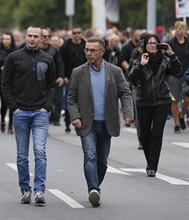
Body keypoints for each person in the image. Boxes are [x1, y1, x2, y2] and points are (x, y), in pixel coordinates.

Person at [67, 37, 133, 208]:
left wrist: (128, 113)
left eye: (92, 50)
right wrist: (75, 116)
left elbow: (125, 93)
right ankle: (93, 189)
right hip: (87, 123)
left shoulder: (115, 71)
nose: (88, 53)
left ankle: (96, 187)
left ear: (102, 52)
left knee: (102, 161)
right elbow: (71, 98)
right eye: (86, 50)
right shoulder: (78, 72)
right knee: (90, 155)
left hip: (107, 123)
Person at [1, 25, 56, 205]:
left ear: (41, 39)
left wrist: (47, 106)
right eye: (29, 36)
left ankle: (39, 190)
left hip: (40, 112)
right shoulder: (14, 58)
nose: (32, 39)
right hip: (21, 112)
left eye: (36, 36)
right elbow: (5, 84)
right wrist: (14, 107)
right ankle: (25, 190)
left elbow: (51, 85)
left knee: (40, 152)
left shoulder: (47, 58)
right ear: (25, 37)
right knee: (22, 155)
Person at [127, 34, 182, 177]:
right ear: (144, 46)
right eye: (149, 43)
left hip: (162, 101)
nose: (152, 45)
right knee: (145, 136)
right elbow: (131, 78)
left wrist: (172, 54)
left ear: (159, 46)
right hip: (143, 102)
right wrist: (141, 65)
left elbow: (177, 71)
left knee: (157, 135)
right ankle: (149, 161)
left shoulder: (165, 60)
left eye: (155, 43)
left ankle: (152, 166)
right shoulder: (138, 60)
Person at [60, 26, 86, 132]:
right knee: (69, 101)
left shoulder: (85, 44)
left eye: (78, 32)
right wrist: (64, 76)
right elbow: (61, 62)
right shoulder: (65, 46)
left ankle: (80, 122)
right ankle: (67, 122)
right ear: (72, 34)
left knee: (82, 101)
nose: (76, 35)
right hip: (69, 77)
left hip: (83, 77)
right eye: (74, 33)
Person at [40, 29, 65, 127]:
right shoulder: (36, 50)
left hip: (52, 80)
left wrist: (61, 76)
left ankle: (54, 119)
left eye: (48, 37)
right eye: (44, 36)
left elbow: (60, 64)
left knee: (56, 100)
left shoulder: (54, 51)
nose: (46, 38)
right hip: (39, 80)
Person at [167, 21, 189, 133]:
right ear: (176, 29)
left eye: (184, 28)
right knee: (174, 100)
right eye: (180, 28)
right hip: (173, 75)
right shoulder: (170, 43)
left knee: (187, 99)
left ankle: (182, 115)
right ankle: (176, 124)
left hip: (187, 76)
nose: (182, 30)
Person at [0, 32, 17, 133]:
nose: (6, 41)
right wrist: (1, 68)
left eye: (8, 39)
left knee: (12, 102)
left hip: (14, 80)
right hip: (2, 80)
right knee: (4, 103)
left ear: (11, 40)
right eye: (4, 39)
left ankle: (10, 125)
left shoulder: (15, 51)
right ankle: (2, 122)